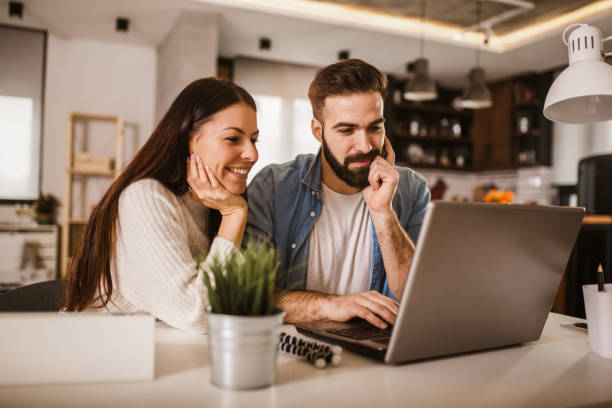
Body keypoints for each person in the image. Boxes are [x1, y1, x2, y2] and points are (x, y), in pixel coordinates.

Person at [63, 78, 259, 334]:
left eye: (254, 140)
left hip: (154, 350)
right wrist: (234, 216)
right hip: (92, 353)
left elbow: (237, 303)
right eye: (233, 138)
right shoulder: (146, 197)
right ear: (188, 140)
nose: (252, 154)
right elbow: (197, 314)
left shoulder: (216, 204)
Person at [246, 59, 430, 329]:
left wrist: (383, 212)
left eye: (374, 127)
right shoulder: (272, 188)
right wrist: (332, 306)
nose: (365, 145)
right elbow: (251, 295)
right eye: (347, 130)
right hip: (295, 349)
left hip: (376, 349)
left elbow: (419, 297)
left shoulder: (411, 189)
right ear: (317, 131)